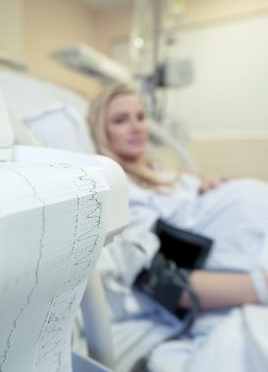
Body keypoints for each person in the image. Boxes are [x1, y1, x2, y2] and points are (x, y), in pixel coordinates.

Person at [87, 83, 268, 372]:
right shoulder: (119, 193)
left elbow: (204, 215)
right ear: (101, 132)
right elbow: (163, 285)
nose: (136, 127)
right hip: (240, 277)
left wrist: (214, 189)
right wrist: (261, 285)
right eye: (121, 120)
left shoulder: (165, 173)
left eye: (141, 117)